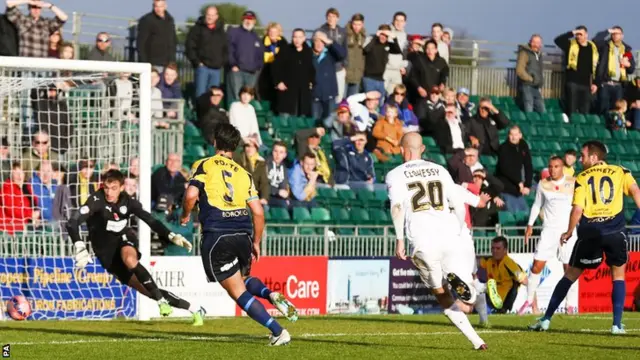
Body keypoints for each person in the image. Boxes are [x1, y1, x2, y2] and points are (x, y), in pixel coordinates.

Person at [179, 123, 297, 346]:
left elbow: (190, 195)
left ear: (215, 142)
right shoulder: (244, 173)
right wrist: (257, 242)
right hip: (243, 232)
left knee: (237, 292)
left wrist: (185, 215)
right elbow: (259, 213)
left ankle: (278, 331)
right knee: (241, 279)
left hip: (217, 234)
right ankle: (269, 294)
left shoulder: (203, 164)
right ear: (234, 146)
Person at [386, 132, 487, 350]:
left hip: (423, 241)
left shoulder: (395, 175)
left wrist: (399, 240)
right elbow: (458, 202)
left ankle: (476, 340)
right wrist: (459, 229)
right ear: (422, 149)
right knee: (465, 297)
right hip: (450, 235)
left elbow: (397, 208)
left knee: (441, 293)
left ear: (402, 150)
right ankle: (471, 290)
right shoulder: (440, 170)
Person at [66, 170, 206, 325]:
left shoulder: (128, 201)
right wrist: (78, 244)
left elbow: (150, 219)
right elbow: (72, 222)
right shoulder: (96, 200)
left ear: (121, 187)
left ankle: (161, 302)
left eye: (113, 188)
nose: (109, 192)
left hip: (124, 240)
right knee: (148, 290)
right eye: (106, 188)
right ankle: (195, 309)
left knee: (129, 259)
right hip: (105, 253)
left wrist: (171, 235)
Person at [529, 141, 640, 334]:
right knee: (618, 275)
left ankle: (546, 319)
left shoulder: (582, 177)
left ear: (594, 157)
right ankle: (616, 325)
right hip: (615, 231)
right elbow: (636, 192)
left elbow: (577, 209)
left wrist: (569, 231)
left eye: (583, 155)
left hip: (590, 232)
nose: (581, 159)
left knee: (571, 274)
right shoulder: (622, 171)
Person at [520, 156, 578, 315]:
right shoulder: (543, 184)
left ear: (562, 168)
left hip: (568, 231)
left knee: (569, 268)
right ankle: (529, 301)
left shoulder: (572, 182)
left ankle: (571, 305)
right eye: (550, 166)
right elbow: (537, 204)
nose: (553, 170)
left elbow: (579, 205)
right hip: (549, 231)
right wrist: (530, 225)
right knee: (537, 265)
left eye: (556, 166)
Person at [480, 236, 527, 313]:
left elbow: (526, 281)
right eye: (493, 248)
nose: (494, 251)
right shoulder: (487, 261)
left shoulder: (510, 264)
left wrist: (534, 306)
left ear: (505, 250)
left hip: (502, 303)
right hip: (487, 298)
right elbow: (478, 277)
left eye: (498, 248)